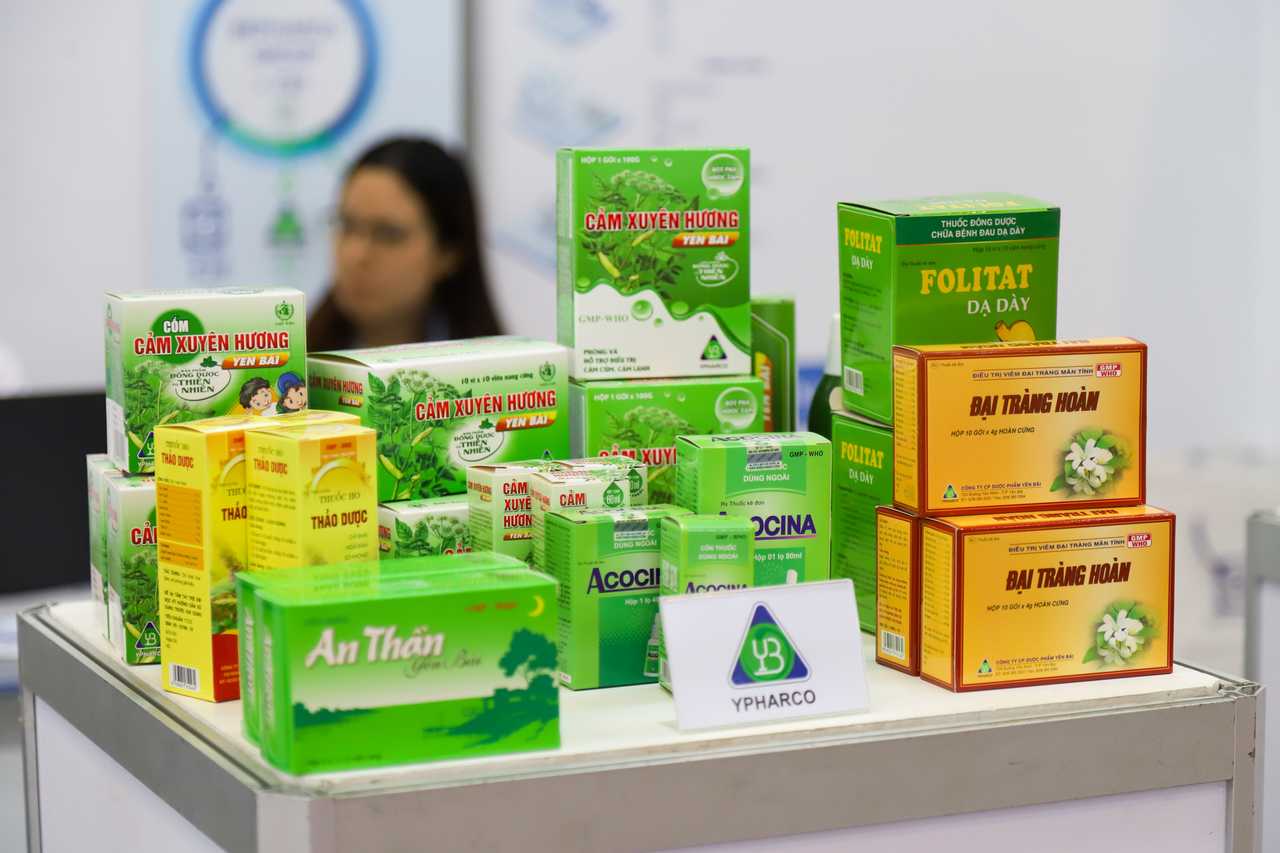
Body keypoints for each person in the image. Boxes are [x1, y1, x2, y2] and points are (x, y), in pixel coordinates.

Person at [308, 137, 502, 350]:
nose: (356, 255)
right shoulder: (291, 362)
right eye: (347, 225)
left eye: (388, 234)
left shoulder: (496, 366)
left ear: (448, 253)